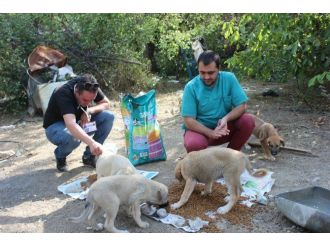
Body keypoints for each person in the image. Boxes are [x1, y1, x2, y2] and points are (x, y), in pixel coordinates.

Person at [181, 50, 254, 153]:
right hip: (201, 131)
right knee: (194, 144)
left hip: (224, 129)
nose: (206, 77)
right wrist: (210, 132)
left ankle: (230, 157)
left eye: (210, 73)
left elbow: (242, 105)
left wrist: (226, 118)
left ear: (219, 69)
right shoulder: (191, 87)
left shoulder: (229, 78)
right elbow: (188, 120)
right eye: (202, 72)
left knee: (248, 121)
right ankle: (201, 164)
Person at [43, 74, 115, 172]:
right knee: (73, 137)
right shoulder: (63, 93)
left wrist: (89, 111)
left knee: (108, 117)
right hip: (55, 127)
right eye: (85, 100)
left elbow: (106, 103)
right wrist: (92, 142)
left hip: (78, 123)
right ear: (76, 91)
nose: (89, 103)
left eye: (91, 100)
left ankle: (89, 156)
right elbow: (71, 125)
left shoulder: (90, 86)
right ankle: (60, 156)